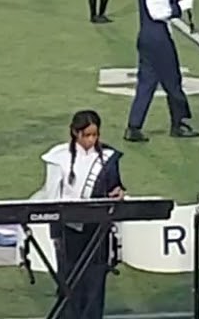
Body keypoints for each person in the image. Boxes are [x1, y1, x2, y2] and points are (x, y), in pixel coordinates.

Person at [35, 109, 125, 319]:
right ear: (76, 133)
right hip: (69, 232)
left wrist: (118, 192)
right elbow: (52, 198)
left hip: (98, 231)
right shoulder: (59, 158)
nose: (92, 140)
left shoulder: (109, 157)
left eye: (95, 135)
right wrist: (56, 231)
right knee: (70, 283)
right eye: (87, 135)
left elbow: (117, 186)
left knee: (95, 282)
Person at [124, 0, 199, 142]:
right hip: (158, 38)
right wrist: (183, 6)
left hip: (147, 37)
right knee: (172, 81)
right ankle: (180, 122)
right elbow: (159, 12)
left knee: (147, 83)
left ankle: (134, 126)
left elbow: (157, 4)